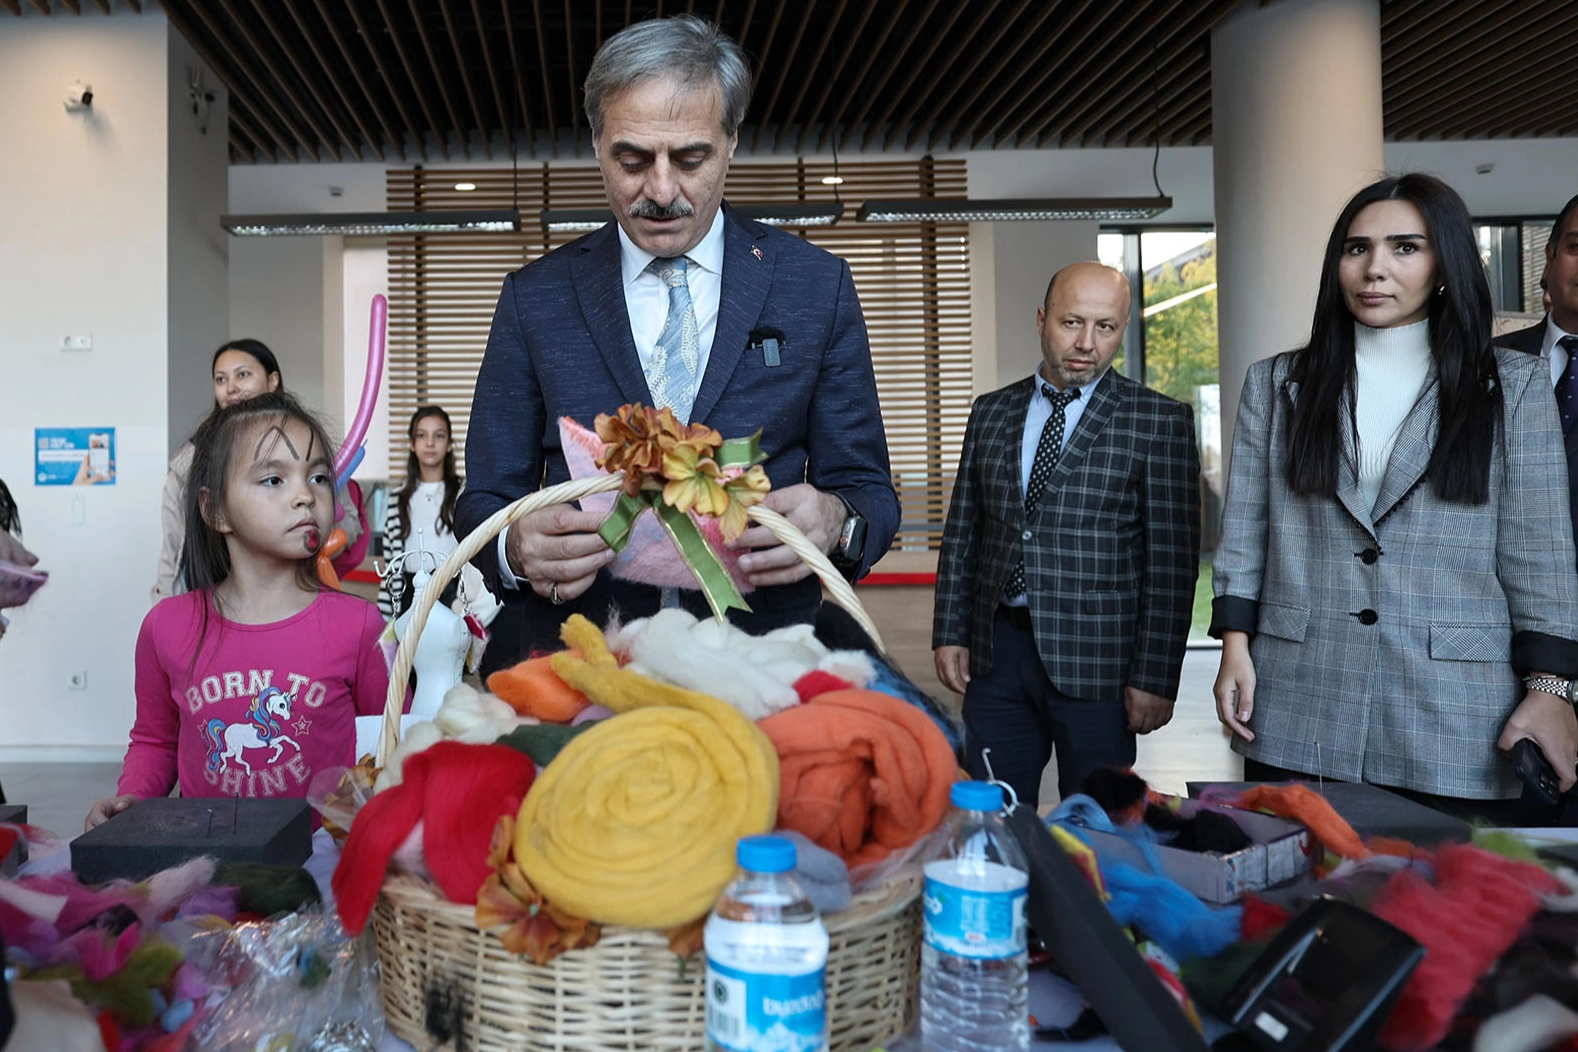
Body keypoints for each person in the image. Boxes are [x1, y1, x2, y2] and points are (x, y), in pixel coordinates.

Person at [455, 15, 899, 672]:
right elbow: (486, 497)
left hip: (767, 663)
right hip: (584, 665)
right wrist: (514, 548)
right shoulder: (536, 297)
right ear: (597, 144)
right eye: (631, 160)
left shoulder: (815, 286)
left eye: (690, 158)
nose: (661, 191)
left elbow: (867, 490)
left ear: (733, 141)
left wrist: (835, 519)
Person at [1211, 174, 1578, 821]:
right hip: (1300, 693)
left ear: (1445, 265)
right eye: (1357, 248)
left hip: (1455, 705)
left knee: (1438, 910)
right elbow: (1245, 529)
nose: (1375, 267)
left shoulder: (1512, 388)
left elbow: (1538, 557)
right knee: (1304, 901)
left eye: (1405, 247)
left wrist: (1551, 687)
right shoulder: (1277, 383)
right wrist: (1235, 644)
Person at [932, 262, 1202, 807]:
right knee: (995, 814)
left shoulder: (1158, 421)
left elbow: (1172, 563)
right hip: (997, 652)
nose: (1086, 343)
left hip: (1101, 662)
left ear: (1124, 328)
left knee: (1098, 822)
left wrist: (1156, 676)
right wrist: (950, 630)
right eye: (1071, 322)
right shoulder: (991, 412)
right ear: (1041, 320)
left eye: (1106, 327)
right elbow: (964, 530)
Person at [87, 392, 392, 829]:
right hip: (204, 868)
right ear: (215, 510)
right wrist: (131, 798)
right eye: (274, 480)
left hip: (322, 872)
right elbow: (155, 741)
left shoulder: (360, 626)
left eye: (320, 478)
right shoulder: (166, 627)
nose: (306, 496)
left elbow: (394, 745)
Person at [153, 339, 363, 602]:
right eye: (220, 379)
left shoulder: (307, 445)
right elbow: (173, 550)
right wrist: (164, 607)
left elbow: (349, 523)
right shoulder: (189, 463)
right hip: (208, 607)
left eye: (243, 375)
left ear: (272, 379)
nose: (231, 388)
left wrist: (309, 539)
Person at [378, 405, 463, 617]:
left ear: (450, 444)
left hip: (454, 597)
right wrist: (387, 616)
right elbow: (390, 564)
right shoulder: (397, 498)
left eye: (439, 435)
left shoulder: (464, 493)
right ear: (412, 444)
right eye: (422, 435)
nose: (430, 443)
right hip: (409, 596)